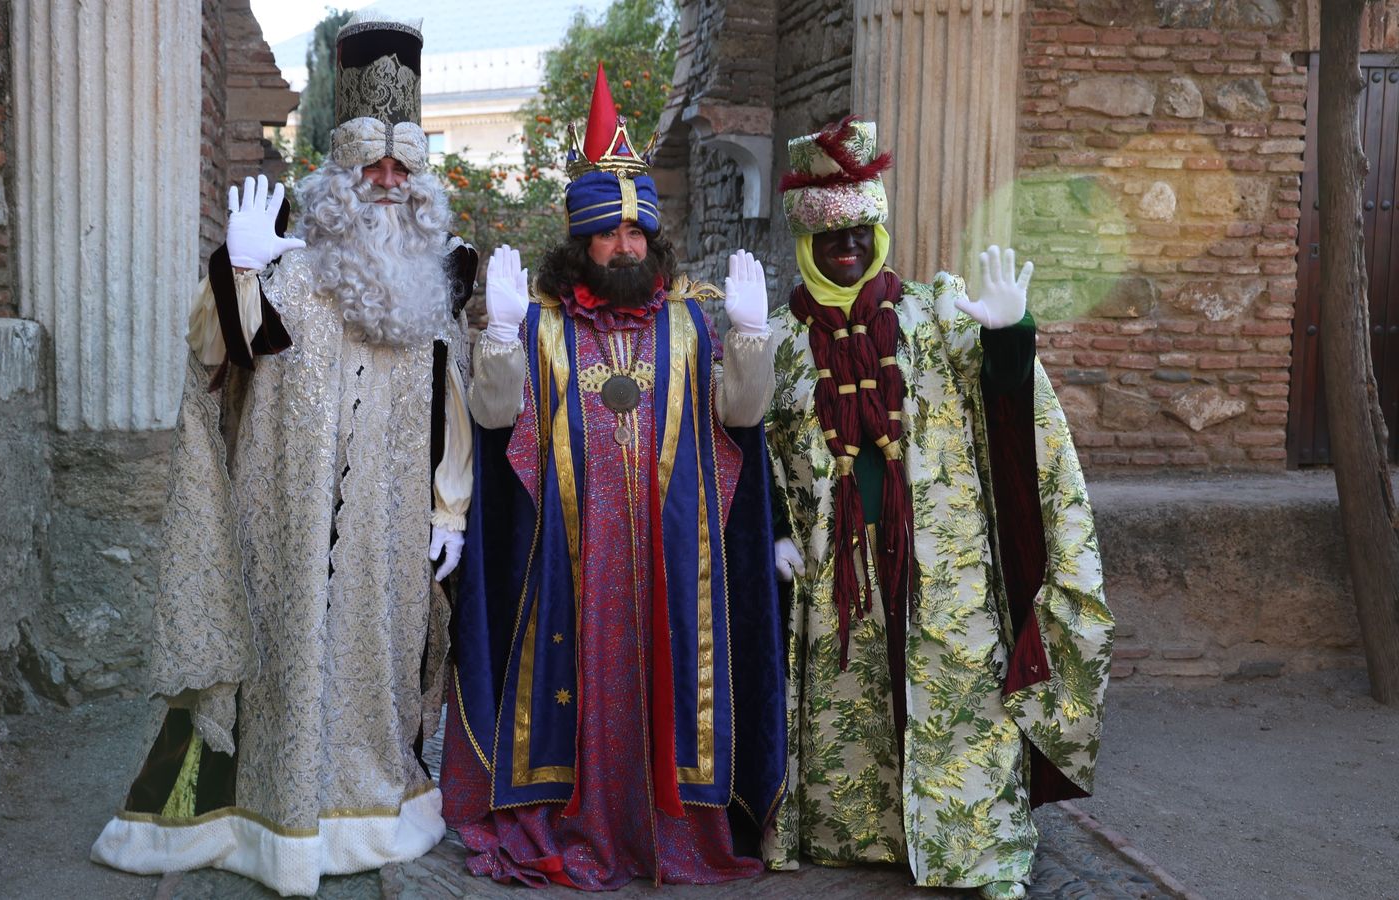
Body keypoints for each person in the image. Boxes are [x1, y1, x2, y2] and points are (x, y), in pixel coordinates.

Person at [89, 14, 477, 897]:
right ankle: (263, 823)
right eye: (368, 167)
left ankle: (368, 811)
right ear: (337, 173)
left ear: (419, 176)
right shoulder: (290, 268)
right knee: (279, 662)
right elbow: (221, 359)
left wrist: (449, 509)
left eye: (400, 167)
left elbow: (449, 407)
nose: (385, 183)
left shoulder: (432, 281)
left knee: (374, 676)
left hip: (385, 542)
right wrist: (240, 270)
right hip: (283, 529)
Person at [438, 66, 788, 890]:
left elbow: (740, 420)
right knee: (573, 694)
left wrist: (748, 338)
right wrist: (497, 336)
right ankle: (574, 815)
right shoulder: (544, 325)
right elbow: (495, 424)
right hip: (570, 564)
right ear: (580, 241)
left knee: (671, 689)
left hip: (672, 564)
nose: (625, 246)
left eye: (637, 233)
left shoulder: (692, 321)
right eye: (608, 233)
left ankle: (670, 826)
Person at [762, 117, 1114, 899]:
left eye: (860, 231)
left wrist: (1008, 335)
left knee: (960, 697)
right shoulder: (781, 341)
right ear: (805, 245)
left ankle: (979, 853)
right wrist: (770, 534)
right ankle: (866, 837)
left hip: (942, 563)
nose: (847, 247)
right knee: (854, 698)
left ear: (878, 232)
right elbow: (756, 452)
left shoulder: (932, 311)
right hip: (834, 569)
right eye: (830, 237)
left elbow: (1006, 415)